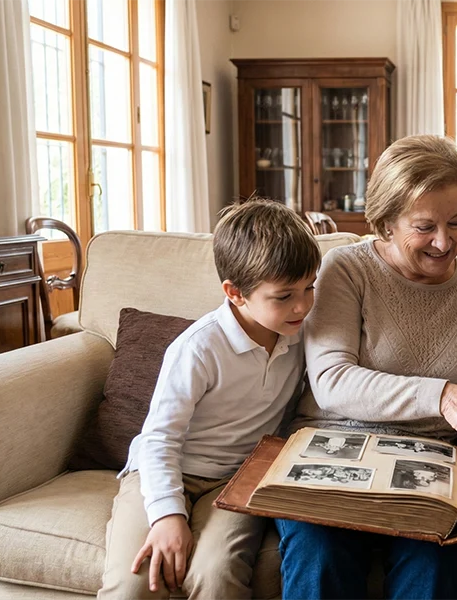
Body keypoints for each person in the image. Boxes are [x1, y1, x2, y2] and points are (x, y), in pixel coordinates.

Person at [278, 134, 457, 600]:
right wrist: (439, 393)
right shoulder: (346, 269)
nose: (444, 241)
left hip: (432, 469)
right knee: (320, 556)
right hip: (335, 450)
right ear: (386, 224)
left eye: (456, 222)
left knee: (437, 565)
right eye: (424, 226)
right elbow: (331, 381)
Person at [98, 199, 321, 599]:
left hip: (237, 479)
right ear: (235, 293)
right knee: (134, 584)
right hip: (168, 468)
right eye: (284, 295)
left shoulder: (303, 334)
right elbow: (158, 439)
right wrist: (167, 515)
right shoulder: (199, 348)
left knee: (217, 576)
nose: (302, 305)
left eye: (309, 288)